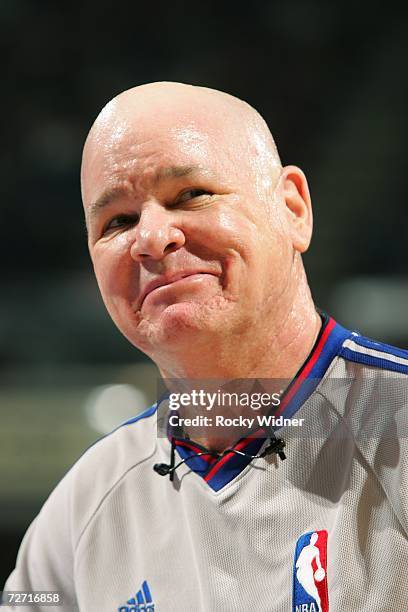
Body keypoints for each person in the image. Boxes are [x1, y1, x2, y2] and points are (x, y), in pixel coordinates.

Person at [3, 82, 408, 612]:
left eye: (190, 195)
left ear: (292, 209)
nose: (151, 237)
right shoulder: (82, 509)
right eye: (117, 222)